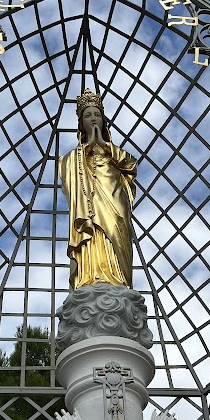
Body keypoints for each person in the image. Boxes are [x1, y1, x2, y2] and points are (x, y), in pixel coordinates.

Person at [59, 90, 138, 290]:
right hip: (87, 204)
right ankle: (90, 277)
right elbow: (66, 176)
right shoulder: (72, 157)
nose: (93, 119)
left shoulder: (115, 153)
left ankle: (119, 280)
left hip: (115, 199)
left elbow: (131, 165)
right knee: (91, 233)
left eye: (97, 115)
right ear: (81, 123)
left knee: (117, 232)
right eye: (88, 115)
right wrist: (86, 150)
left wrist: (105, 146)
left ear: (103, 121)